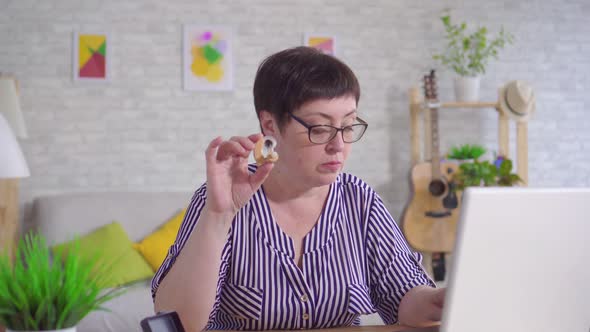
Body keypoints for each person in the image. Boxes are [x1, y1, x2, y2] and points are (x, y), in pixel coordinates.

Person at [152, 46, 445, 331]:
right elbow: (178, 323)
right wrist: (218, 216)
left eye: (348, 125)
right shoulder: (222, 197)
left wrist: (438, 300)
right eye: (319, 129)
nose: (339, 146)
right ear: (270, 125)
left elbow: (406, 297)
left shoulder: (360, 200)